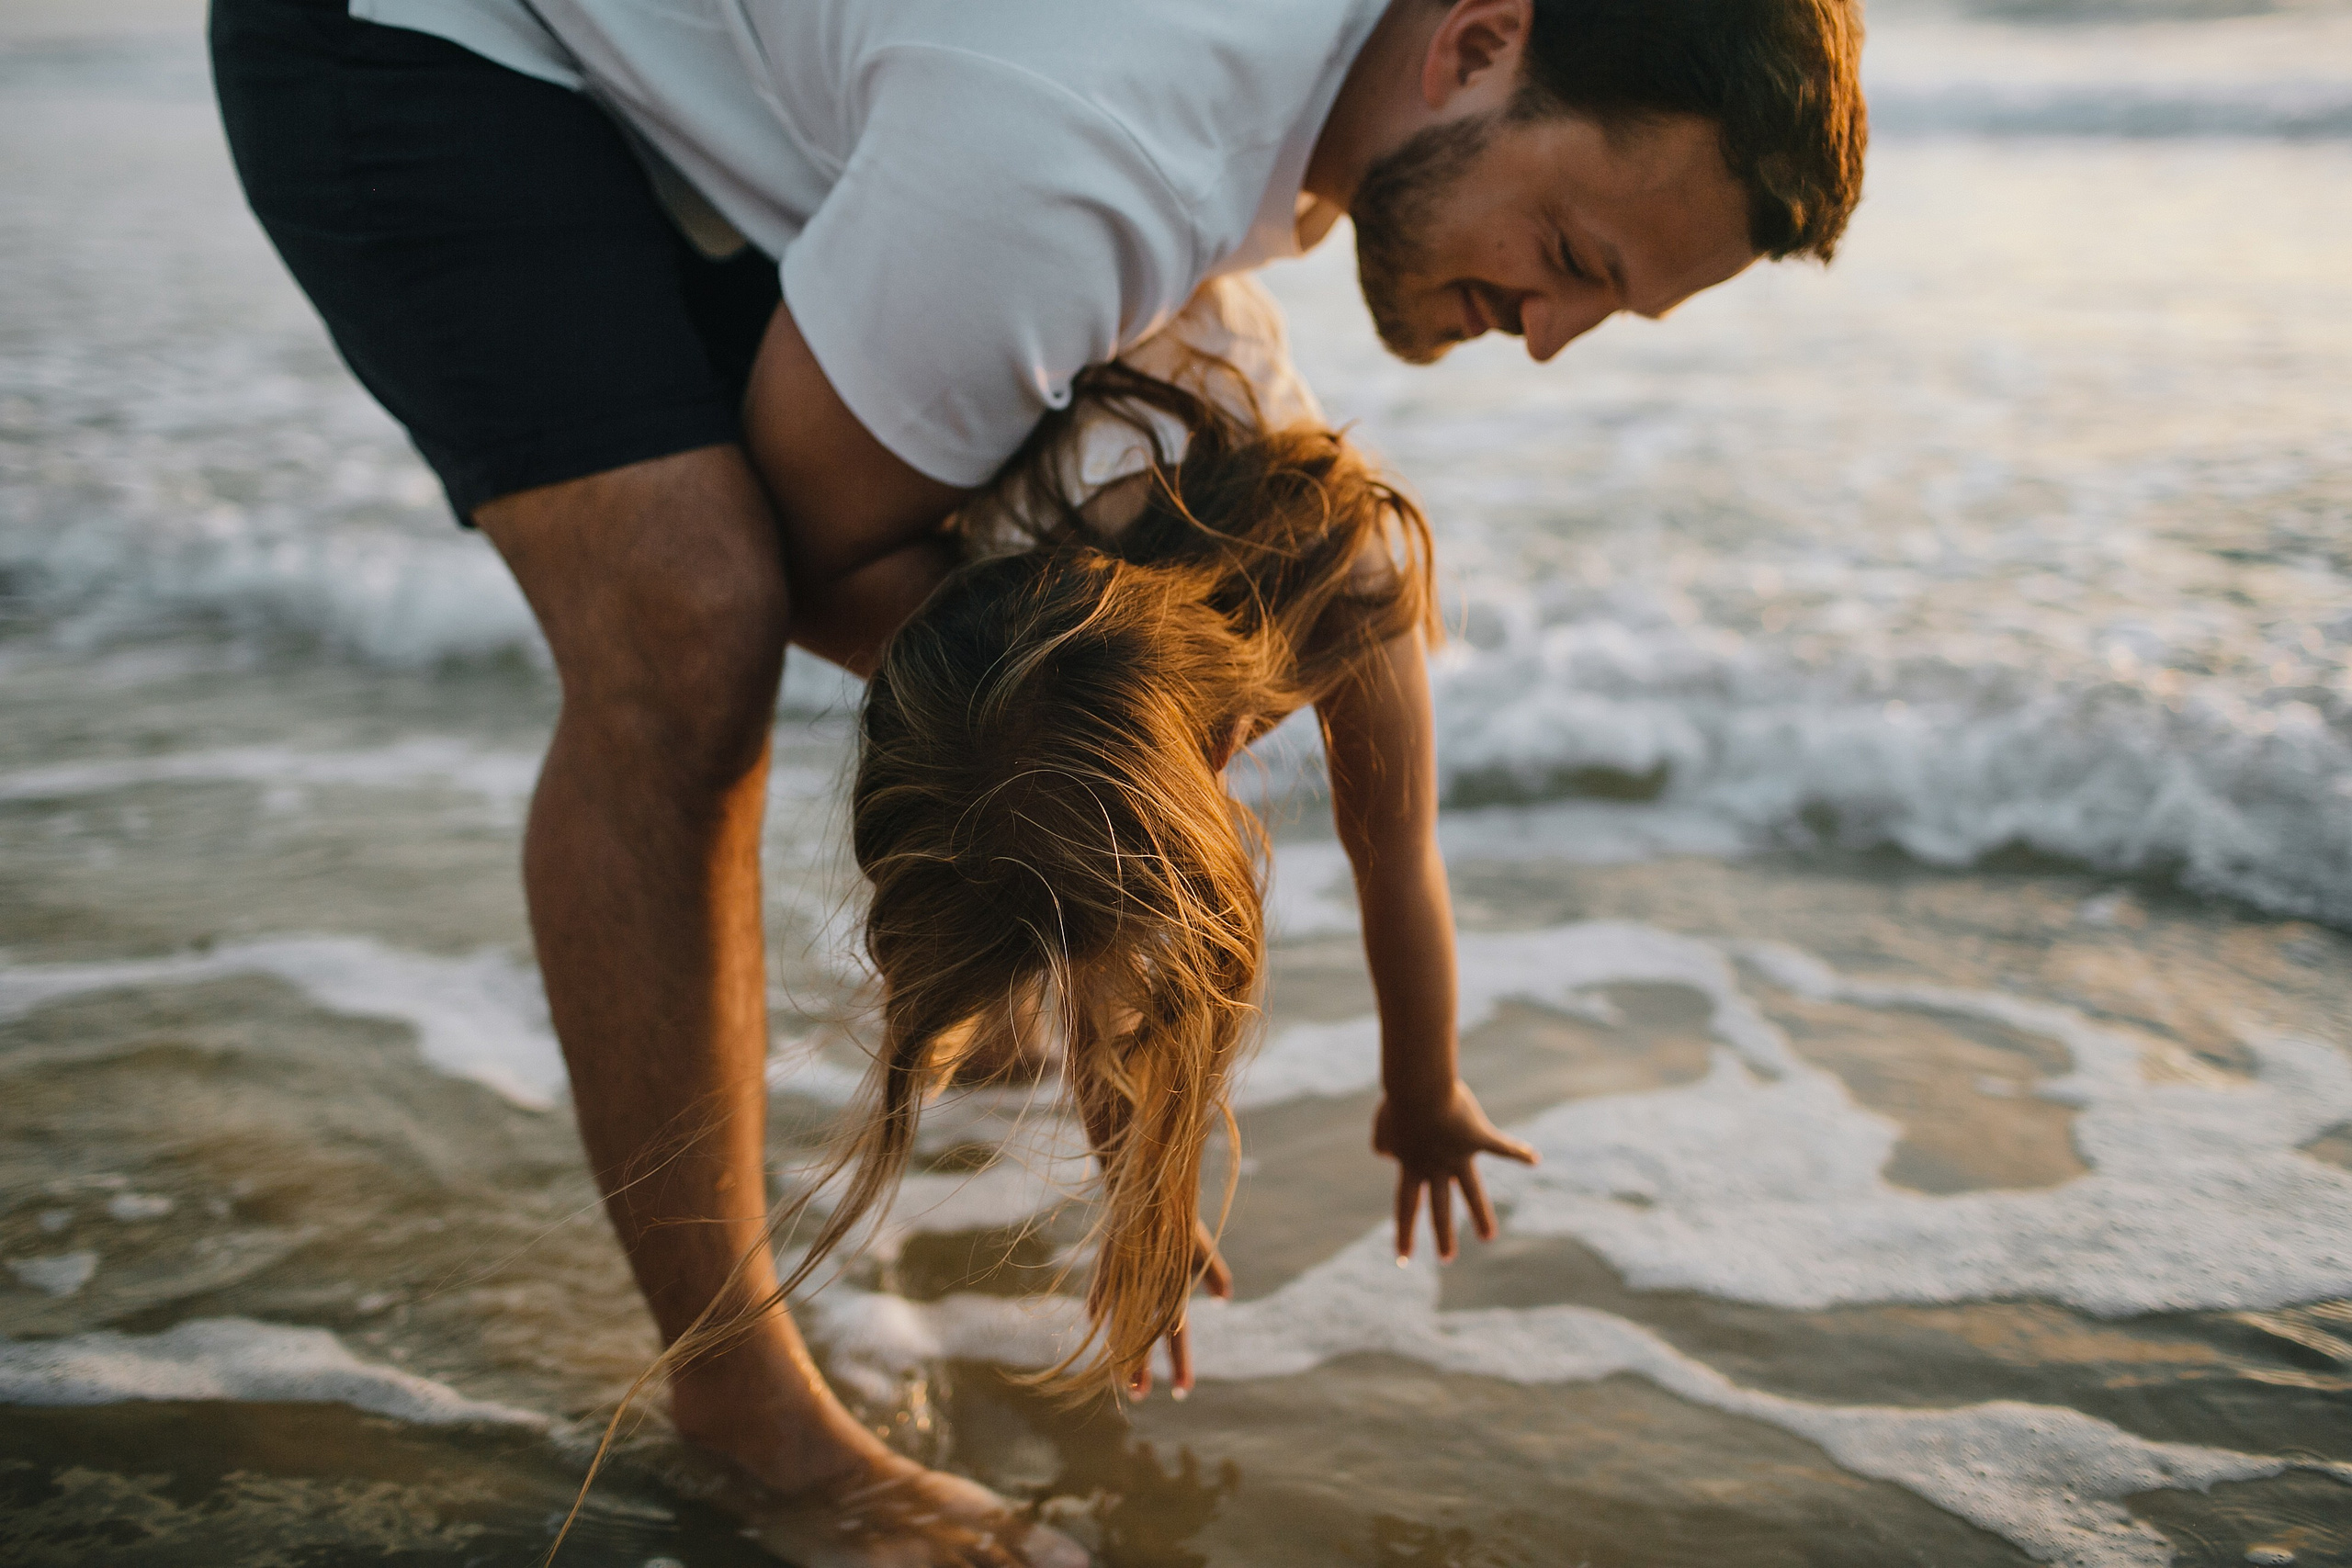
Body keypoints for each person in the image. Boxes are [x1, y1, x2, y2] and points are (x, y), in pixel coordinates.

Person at [207, 0, 1865, 1560]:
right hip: (421, 38)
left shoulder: (1278, 140)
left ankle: (1016, 1022)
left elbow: (1372, 841)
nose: (1553, 340)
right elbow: (806, 545)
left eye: (1608, 305)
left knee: (1067, 742)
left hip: (719, 95)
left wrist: (1192, 1003)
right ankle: (739, 1407)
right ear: (1482, 41)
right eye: (1571, 257)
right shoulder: (1101, 159)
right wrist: (1133, 799)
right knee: (688, 620)